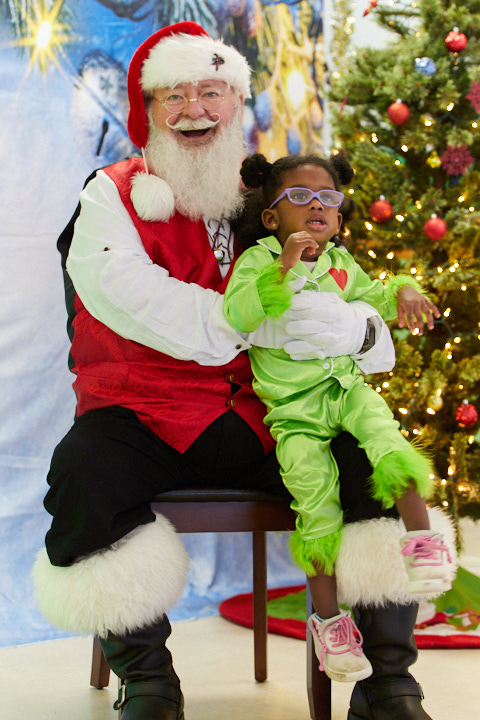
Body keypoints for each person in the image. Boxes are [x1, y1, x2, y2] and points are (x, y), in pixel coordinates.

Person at [32, 21, 455, 720]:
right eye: (174, 95)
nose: (194, 109)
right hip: (144, 414)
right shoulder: (110, 196)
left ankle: (388, 686)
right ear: (148, 109)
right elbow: (135, 298)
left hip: (274, 415)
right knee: (84, 474)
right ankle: (149, 682)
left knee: (373, 470)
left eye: (211, 92)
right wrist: (269, 322)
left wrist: (359, 328)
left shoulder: (276, 197)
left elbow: (348, 285)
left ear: (236, 103)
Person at [223, 151, 454, 683]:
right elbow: (238, 314)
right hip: (294, 414)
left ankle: (423, 545)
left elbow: (377, 297)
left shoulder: (340, 264)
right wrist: (284, 265)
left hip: (347, 390)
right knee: (316, 506)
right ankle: (329, 623)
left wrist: (405, 290)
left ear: (339, 215)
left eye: (328, 198)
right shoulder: (257, 260)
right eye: (300, 197)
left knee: (388, 444)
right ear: (271, 217)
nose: (317, 207)